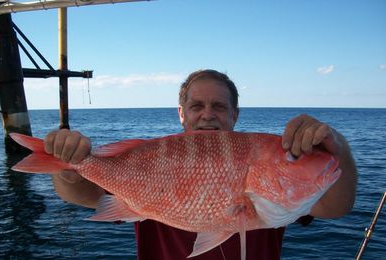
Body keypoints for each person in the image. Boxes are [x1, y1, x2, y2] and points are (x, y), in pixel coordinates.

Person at [44, 69, 357, 259]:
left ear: (235, 114)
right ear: (182, 114)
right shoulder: (154, 158)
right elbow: (79, 194)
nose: (208, 114)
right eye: (197, 106)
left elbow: (337, 206)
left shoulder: (273, 192)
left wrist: (337, 147)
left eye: (219, 106)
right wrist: (68, 164)